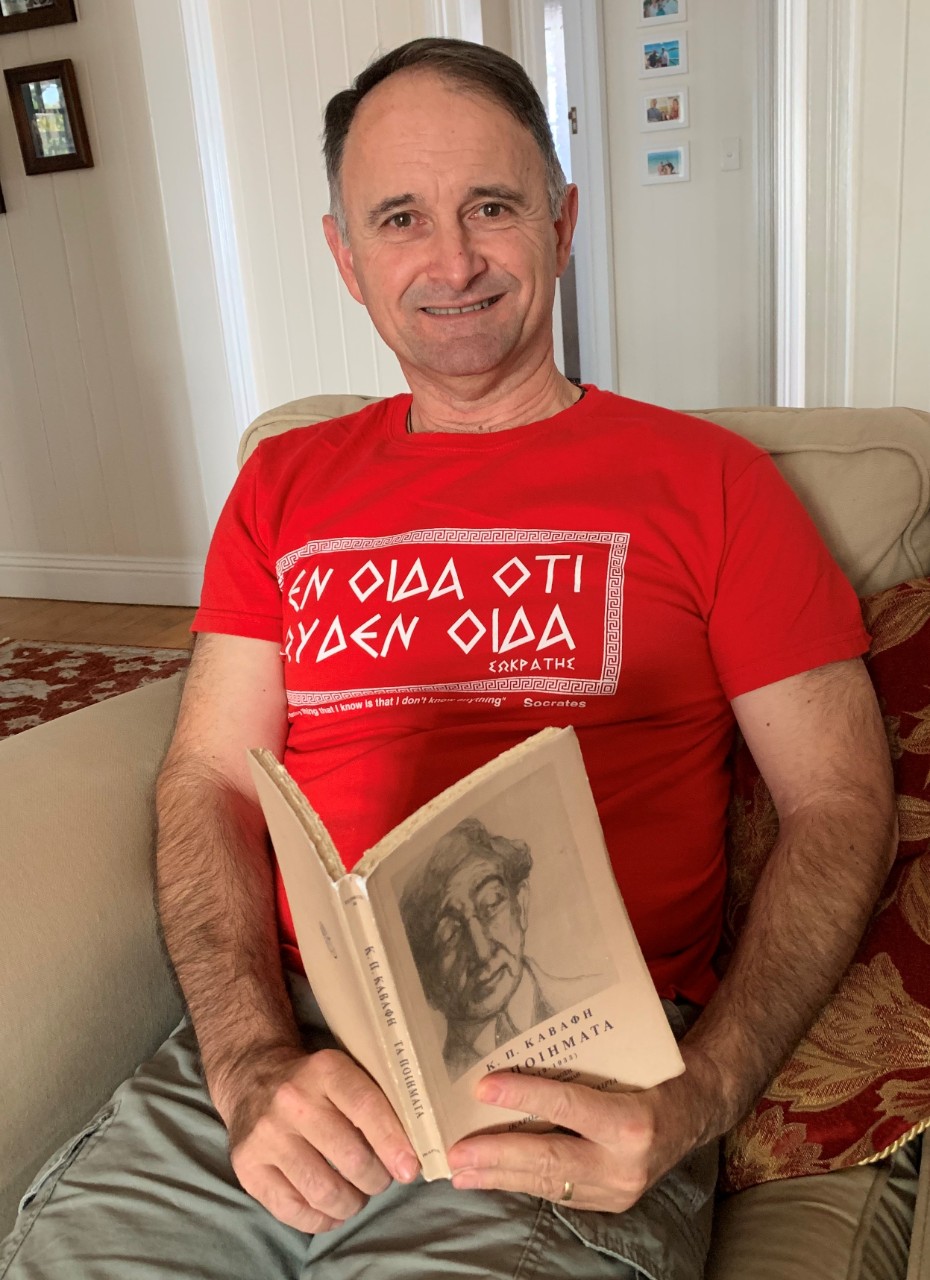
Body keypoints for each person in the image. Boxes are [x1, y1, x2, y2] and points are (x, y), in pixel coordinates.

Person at [0, 35, 896, 1280]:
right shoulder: (283, 483)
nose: (454, 259)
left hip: (569, 1061)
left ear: (562, 221)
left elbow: (843, 800)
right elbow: (206, 777)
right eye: (402, 217)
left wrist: (703, 1091)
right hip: (296, 1044)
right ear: (346, 258)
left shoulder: (713, 486)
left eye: (492, 206)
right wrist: (249, 1056)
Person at [400, 818, 601, 1080]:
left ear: (521, 904)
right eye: (450, 935)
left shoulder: (597, 994)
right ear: (425, 977)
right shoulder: (437, 1082)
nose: (482, 952)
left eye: (491, 904)